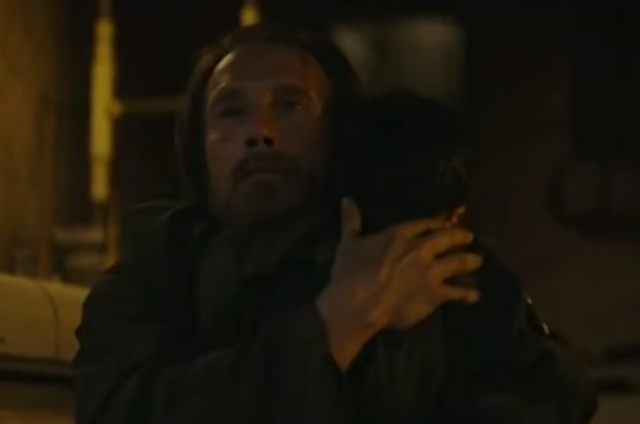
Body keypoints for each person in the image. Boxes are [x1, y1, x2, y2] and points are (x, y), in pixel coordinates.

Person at [74, 24, 596, 424]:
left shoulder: (418, 253)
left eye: (289, 106)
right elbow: (122, 412)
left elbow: (554, 387)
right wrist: (339, 322)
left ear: (336, 133)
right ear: (199, 145)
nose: (260, 131)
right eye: (231, 111)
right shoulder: (153, 274)